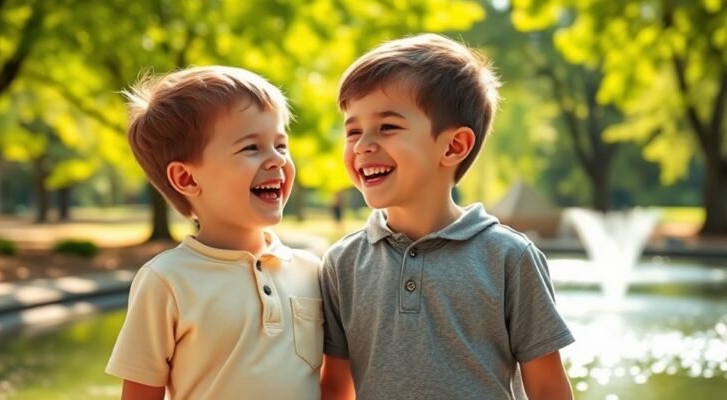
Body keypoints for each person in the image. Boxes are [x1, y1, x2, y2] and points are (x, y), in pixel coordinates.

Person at [320, 34, 575, 400]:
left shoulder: (509, 258)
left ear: (454, 146)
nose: (362, 145)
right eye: (353, 131)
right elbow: (335, 387)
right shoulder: (341, 263)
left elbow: (548, 389)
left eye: (387, 127)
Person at [105, 66, 323, 400]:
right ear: (187, 178)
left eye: (281, 146)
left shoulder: (312, 271)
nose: (277, 161)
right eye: (251, 148)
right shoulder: (167, 281)